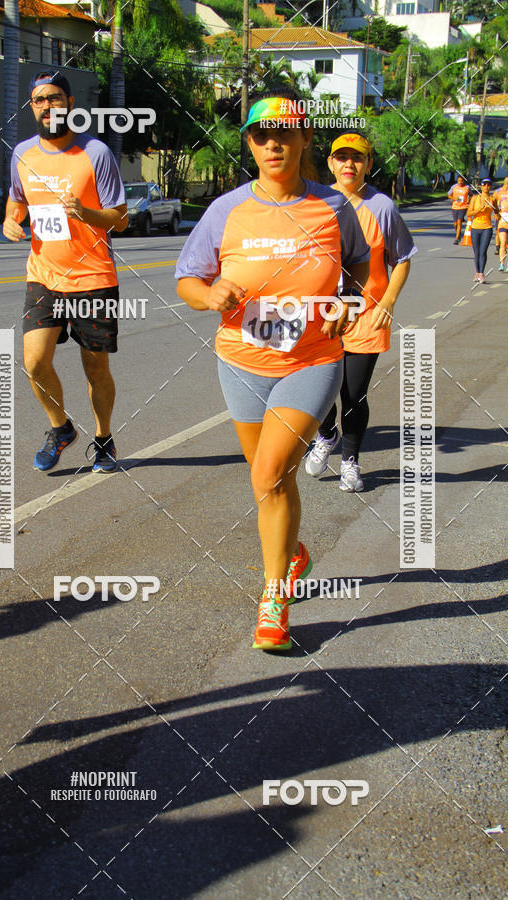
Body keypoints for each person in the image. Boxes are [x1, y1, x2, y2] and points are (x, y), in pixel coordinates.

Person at [175, 93, 370, 651]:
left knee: (267, 475)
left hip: (311, 360)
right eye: (262, 135)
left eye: (285, 133)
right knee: (272, 483)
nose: (273, 144)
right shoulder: (226, 210)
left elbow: (359, 267)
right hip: (240, 361)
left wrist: (345, 304)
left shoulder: (334, 207)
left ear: (306, 140)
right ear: (250, 144)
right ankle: (292, 553)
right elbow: (189, 279)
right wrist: (210, 292)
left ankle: (273, 595)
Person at [3, 70, 128, 472]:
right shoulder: (23, 154)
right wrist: (11, 220)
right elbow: (16, 200)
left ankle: (104, 437)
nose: (47, 106)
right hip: (44, 274)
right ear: (33, 107)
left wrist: (86, 213)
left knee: (95, 366)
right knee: (34, 361)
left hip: (93, 278)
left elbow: (121, 219)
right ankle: (61, 429)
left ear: (70, 104)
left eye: (54, 98)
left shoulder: (95, 153)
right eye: (39, 100)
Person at [304, 134, 417, 492]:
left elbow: (402, 260)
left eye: (358, 158)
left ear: (369, 164)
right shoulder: (317, 203)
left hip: (365, 314)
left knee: (354, 394)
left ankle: (351, 461)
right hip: (322, 315)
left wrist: (388, 303)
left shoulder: (382, 206)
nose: (349, 164)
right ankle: (326, 434)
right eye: (342, 157)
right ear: (331, 163)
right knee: (318, 392)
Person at [466, 178, 499, 284]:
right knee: (476, 252)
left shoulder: (492, 198)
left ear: (490, 187)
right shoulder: (475, 198)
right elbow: (469, 213)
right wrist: (479, 209)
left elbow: (497, 211)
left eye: (488, 185)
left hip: (487, 227)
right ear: (481, 186)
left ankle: (481, 273)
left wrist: (496, 213)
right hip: (476, 227)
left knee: (483, 251)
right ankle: (477, 272)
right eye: (484, 185)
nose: (486, 187)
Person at [447, 175, 470, 244]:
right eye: (459, 181)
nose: (460, 182)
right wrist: (454, 198)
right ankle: (458, 234)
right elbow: (448, 195)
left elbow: (471, 195)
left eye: (461, 181)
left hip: (463, 207)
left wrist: (468, 200)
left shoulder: (467, 187)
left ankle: (457, 239)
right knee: (455, 223)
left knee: (459, 221)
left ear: (464, 181)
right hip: (455, 207)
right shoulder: (454, 187)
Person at [493, 177, 508, 271]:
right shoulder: (499, 192)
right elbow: (493, 202)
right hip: (502, 222)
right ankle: (502, 264)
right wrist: (496, 213)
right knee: (503, 243)